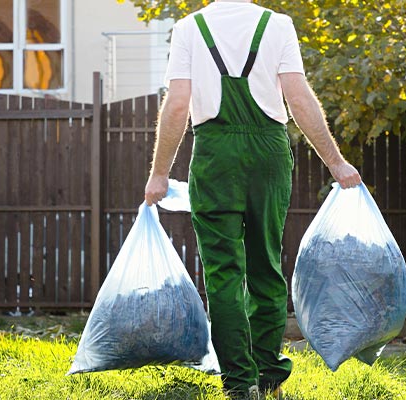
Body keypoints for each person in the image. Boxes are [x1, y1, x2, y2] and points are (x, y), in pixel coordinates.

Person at [144, 1, 362, 398]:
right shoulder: (277, 25)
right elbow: (298, 99)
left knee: (223, 273)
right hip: (268, 155)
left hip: (214, 158)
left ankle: (240, 384)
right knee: (265, 266)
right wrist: (336, 161)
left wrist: (160, 172)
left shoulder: (190, 28)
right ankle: (268, 378)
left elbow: (177, 105)